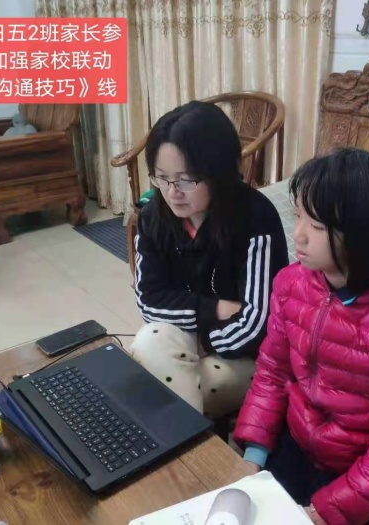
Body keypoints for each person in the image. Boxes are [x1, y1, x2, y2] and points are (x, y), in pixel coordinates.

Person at [233, 148, 369, 525]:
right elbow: (271, 372)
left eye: (317, 226)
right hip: (296, 445)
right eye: (298, 216)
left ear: (368, 234)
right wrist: (253, 455)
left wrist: (321, 513)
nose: (298, 235)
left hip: (361, 473)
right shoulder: (291, 283)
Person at [129, 100, 289, 419]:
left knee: (156, 384)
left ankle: (182, 443)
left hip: (248, 355)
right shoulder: (153, 218)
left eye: (186, 180)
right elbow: (149, 302)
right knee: (149, 342)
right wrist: (215, 308)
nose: (172, 192)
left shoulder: (255, 219)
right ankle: (190, 441)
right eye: (162, 178)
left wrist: (204, 343)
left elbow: (258, 323)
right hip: (194, 334)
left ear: (218, 173)